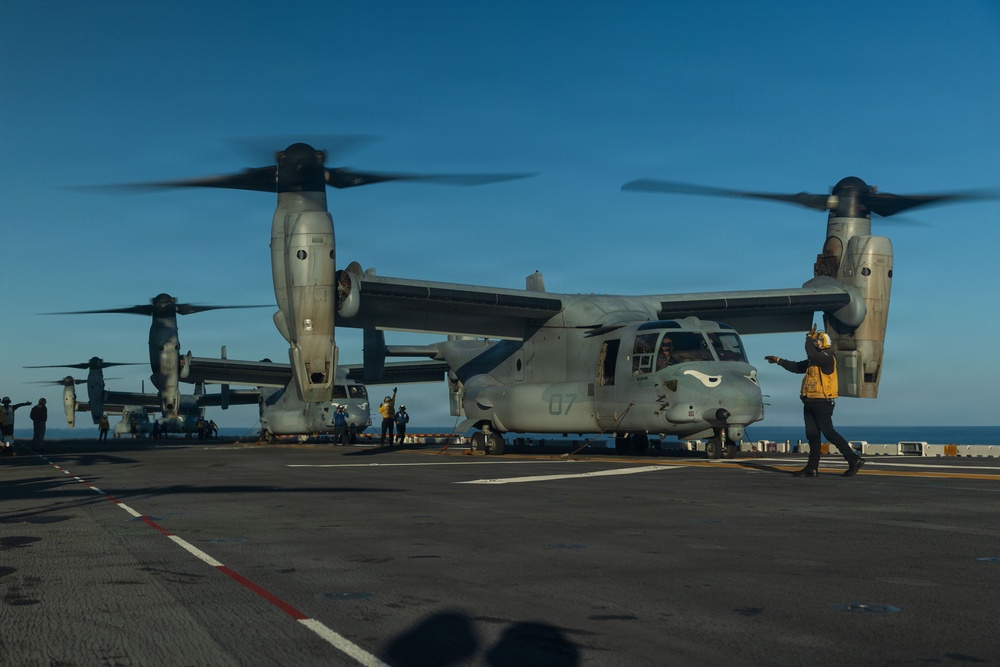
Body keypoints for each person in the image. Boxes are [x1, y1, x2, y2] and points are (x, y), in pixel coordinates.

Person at [766, 326, 866, 478]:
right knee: (812, 435)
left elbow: (811, 353)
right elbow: (796, 366)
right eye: (815, 340)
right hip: (809, 401)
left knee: (828, 432)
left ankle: (853, 459)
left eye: (818, 340)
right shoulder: (813, 361)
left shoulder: (827, 358)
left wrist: (808, 338)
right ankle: (812, 468)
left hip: (822, 402)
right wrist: (779, 361)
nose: (815, 343)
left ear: (824, 342)